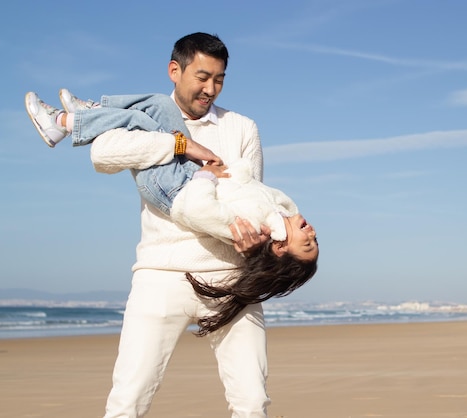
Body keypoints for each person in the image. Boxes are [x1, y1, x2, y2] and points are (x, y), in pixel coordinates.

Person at [30, 32, 282, 418]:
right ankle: (76, 116)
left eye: (219, 79)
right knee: (127, 402)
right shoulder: (146, 119)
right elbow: (103, 154)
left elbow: (247, 195)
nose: (210, 89)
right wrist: (182, 145)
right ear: (174, 71)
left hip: (230, 277)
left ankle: (73, 115)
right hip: (160, 274)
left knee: (251, 402)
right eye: (201, 77)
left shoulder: (242, 127)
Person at [25, 90, 319, 336]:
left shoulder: (247, 229)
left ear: (280, 246)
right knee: (160, 105)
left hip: (174, 190)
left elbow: (197, 209)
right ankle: (93, 113)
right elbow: (249, 182)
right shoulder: (275, 213)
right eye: (204, 77)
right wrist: (193, 150)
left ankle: (63, 122)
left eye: (307, 243)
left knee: (138, 120)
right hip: (188, 175)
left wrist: (206, 173)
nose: (313, 233)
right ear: (175, 71)